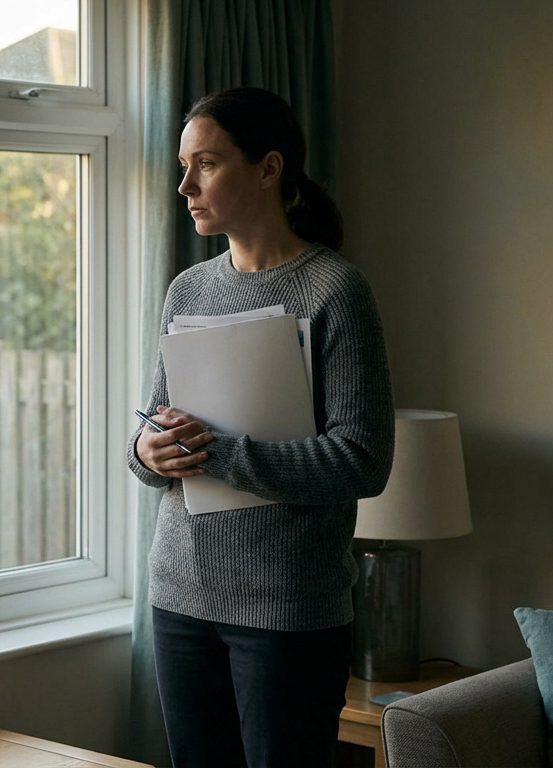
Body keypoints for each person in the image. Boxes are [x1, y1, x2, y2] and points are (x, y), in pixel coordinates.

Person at [127, 87, 395, 768]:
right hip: (180, 593)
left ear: (269, 168)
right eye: (184, 166)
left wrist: (219, 453)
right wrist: (146, 449)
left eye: (207, 165)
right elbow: (155, 429)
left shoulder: (334, 290)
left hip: (287, 608)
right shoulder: (187, 289)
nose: (184, 185)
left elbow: (361, 461)